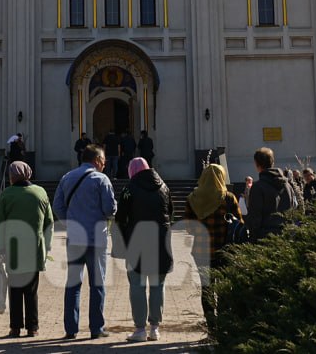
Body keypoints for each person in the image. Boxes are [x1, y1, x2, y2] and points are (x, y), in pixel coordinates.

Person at [53, 144, 117, 340]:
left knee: (73, 283)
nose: (104, 165)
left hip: (75, 238)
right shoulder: (101, 179)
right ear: (97, 160)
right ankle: (96, 328)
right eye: (104, 161)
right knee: (97, 284)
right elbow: (109, 209)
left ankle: (71, 329)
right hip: (97, 238)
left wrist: (71, 222)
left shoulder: (67, 177)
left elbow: (57, 206)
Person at [0, 160, 53, 339]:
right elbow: (49, 221)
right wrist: (47, 244)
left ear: (11, 176)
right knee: (32, 291)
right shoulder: (40, 192)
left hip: (13, 249)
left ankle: (15, 328)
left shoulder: (6, 194)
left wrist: (0, 246)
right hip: (35, 248)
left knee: (15, 289)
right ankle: (33, 328)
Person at [115, 157, 172, 343]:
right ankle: (155, 328)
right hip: (161, 243)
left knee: (137, 286)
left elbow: (120, 219)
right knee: (158, 285)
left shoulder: (129, 189)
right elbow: (169, 213)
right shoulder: (164, 187)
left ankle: (140, 329)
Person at [184, 163, 241, 326]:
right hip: (225, 250)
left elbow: (188, 227)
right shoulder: (229, 198)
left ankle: (211, 325)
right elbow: (239, 223)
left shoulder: (193, 198)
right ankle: (223, 324)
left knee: (206, 288)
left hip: (201, 251)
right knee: (223, 288)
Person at [246, 147, 295, 241]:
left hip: (265, 239)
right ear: (272, 162)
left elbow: (255, 218)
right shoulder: (288, 186)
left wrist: (252, 240)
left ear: (257, 164)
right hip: (286, 237)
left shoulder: (258, 187)